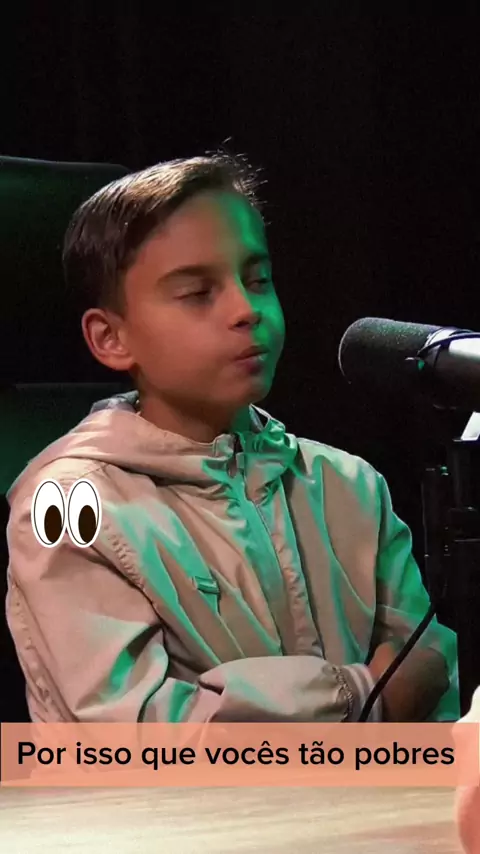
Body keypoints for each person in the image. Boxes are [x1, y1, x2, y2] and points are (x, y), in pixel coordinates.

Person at [6, 152, 458, 724]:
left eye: (258, 280)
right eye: (198, 293)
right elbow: (136, 734)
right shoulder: (70, 507)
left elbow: (431, 680)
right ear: (111, 338)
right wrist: (364, 695)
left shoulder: (349, 484)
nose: (247, 309)